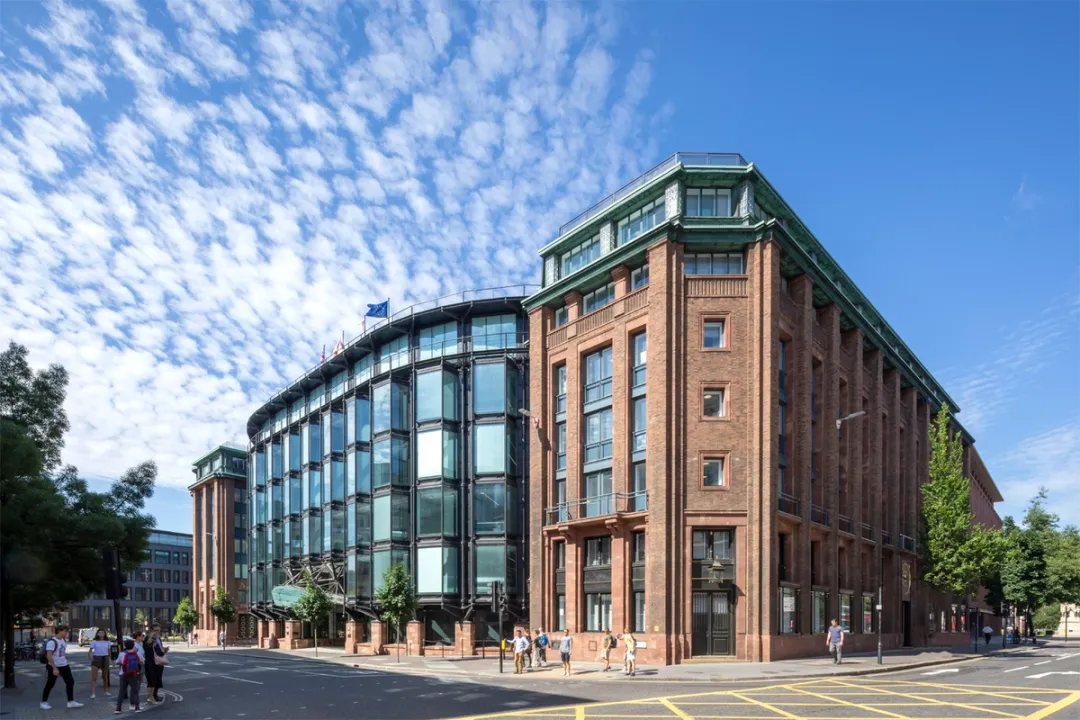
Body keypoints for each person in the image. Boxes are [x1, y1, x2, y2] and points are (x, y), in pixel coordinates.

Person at [41, 624, 83, 710]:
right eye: (65, 631)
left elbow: (61, 654)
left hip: (64, 665)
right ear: (59, 631)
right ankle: (44, 702)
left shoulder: (63, 640)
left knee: (70, 682)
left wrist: (65, 662)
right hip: (54, 666)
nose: (66, 633)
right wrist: (54, 668)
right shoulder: (52, 642)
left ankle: (70, 702)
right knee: (50, 684)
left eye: (67, 631)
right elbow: (49, 656)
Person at [114, 638, 142, 714]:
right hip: (134, 675)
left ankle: (118, 708)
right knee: (135, 691)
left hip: (123, 674)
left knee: (121, 691)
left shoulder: (122, 654)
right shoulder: (137, 654)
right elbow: (141, 663)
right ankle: (137, 707)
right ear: (133, 646)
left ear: (125, 646)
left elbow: (117, 662)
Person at [88, 628, 112, 698]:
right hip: (97, 658)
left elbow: (109, 651)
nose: (101, 634)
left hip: (105, 658)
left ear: (104, 634)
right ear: (97, 634)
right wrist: (91, 658)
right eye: (100, 632)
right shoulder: (94, 641)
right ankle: (93, 693)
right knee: (94, 677)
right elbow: (89, 652)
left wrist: (110, 659)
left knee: (105, 677)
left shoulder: (107, 641)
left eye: (102, 632)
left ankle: (106, 691)